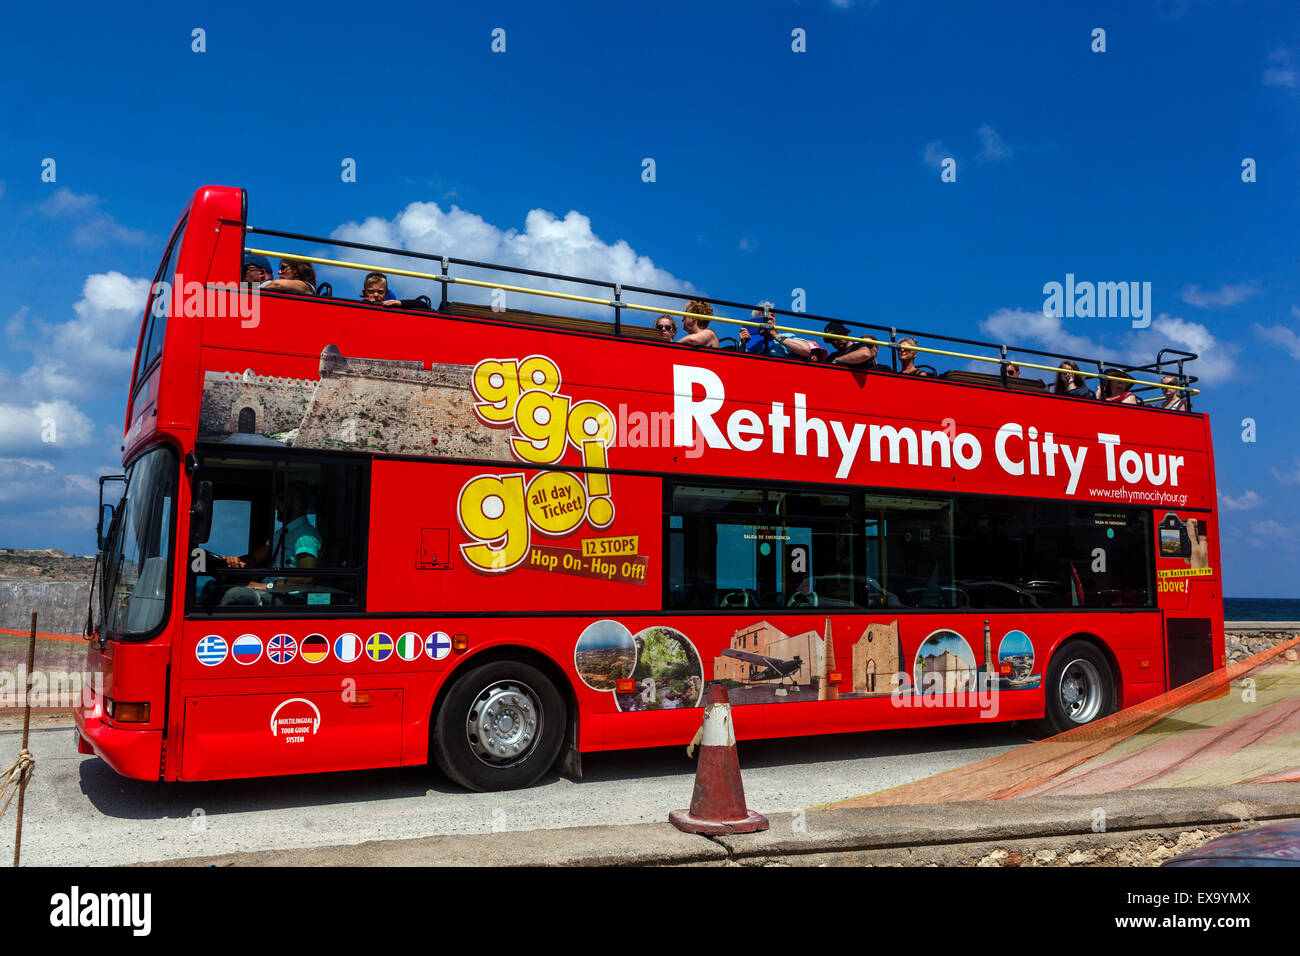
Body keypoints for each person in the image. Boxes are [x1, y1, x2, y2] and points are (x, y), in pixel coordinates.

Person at [737, 302, 814, 359]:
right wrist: (743, 345)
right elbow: (737, 363)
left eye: (773, 315)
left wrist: (775, 335)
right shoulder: (747, 339)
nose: (770, 317)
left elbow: (806, 350)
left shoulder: (786, 336)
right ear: (755, 320)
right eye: (765, 314)